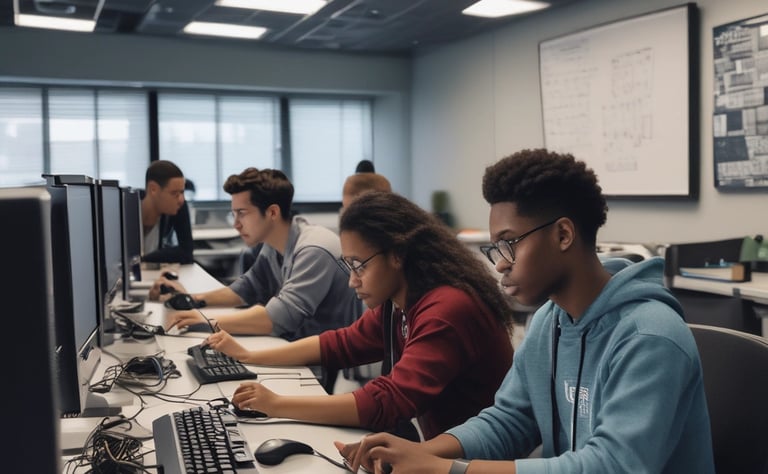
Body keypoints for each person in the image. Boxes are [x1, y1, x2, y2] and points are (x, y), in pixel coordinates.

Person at [340, 149, 715, 474]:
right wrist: (421, 453)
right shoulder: (548, 323)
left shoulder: (650, 337)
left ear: (563, 235)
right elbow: (509, 420)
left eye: (509, 244)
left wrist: (447, 468)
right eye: (495, 248)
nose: (500, 264)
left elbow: (612, 466)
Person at [202, 191, 514, 440]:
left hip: (470, 459)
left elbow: (389, 400)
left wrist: (276, 405)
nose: (353, 280)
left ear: (397, 255)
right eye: (349, 266)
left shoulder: (447, 309)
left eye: (359, 265)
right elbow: (343, 344)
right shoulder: (400, 299)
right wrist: (251, 356)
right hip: (437, 447)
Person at [152, 168, 361, 390]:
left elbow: (277, 319)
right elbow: (246, 288)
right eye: (234, 214)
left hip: (331, 369)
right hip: (299, 351)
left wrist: (202, 320)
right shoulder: (276, 241)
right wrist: (192, 300)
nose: (236, 224)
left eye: (242, 213)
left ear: (272, 212)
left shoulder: (314, 249)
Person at [140, 160, 194, 264]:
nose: (181, 200)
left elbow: (186, 252)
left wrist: (142, 260)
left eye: (182, 192)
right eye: (175, 193)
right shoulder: (126, 207)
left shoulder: (178, 207)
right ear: (153, 189)